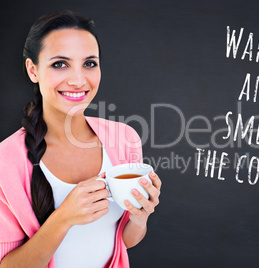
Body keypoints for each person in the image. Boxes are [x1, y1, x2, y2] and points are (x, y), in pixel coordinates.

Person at [0, 9, 161, 268]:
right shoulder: (5, 161)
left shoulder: (124, 139)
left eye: (89, 63)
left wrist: (140, 218)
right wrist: (63, 218)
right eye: (60, 64)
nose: (78, 80)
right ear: (33, 70)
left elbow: (123, 241)